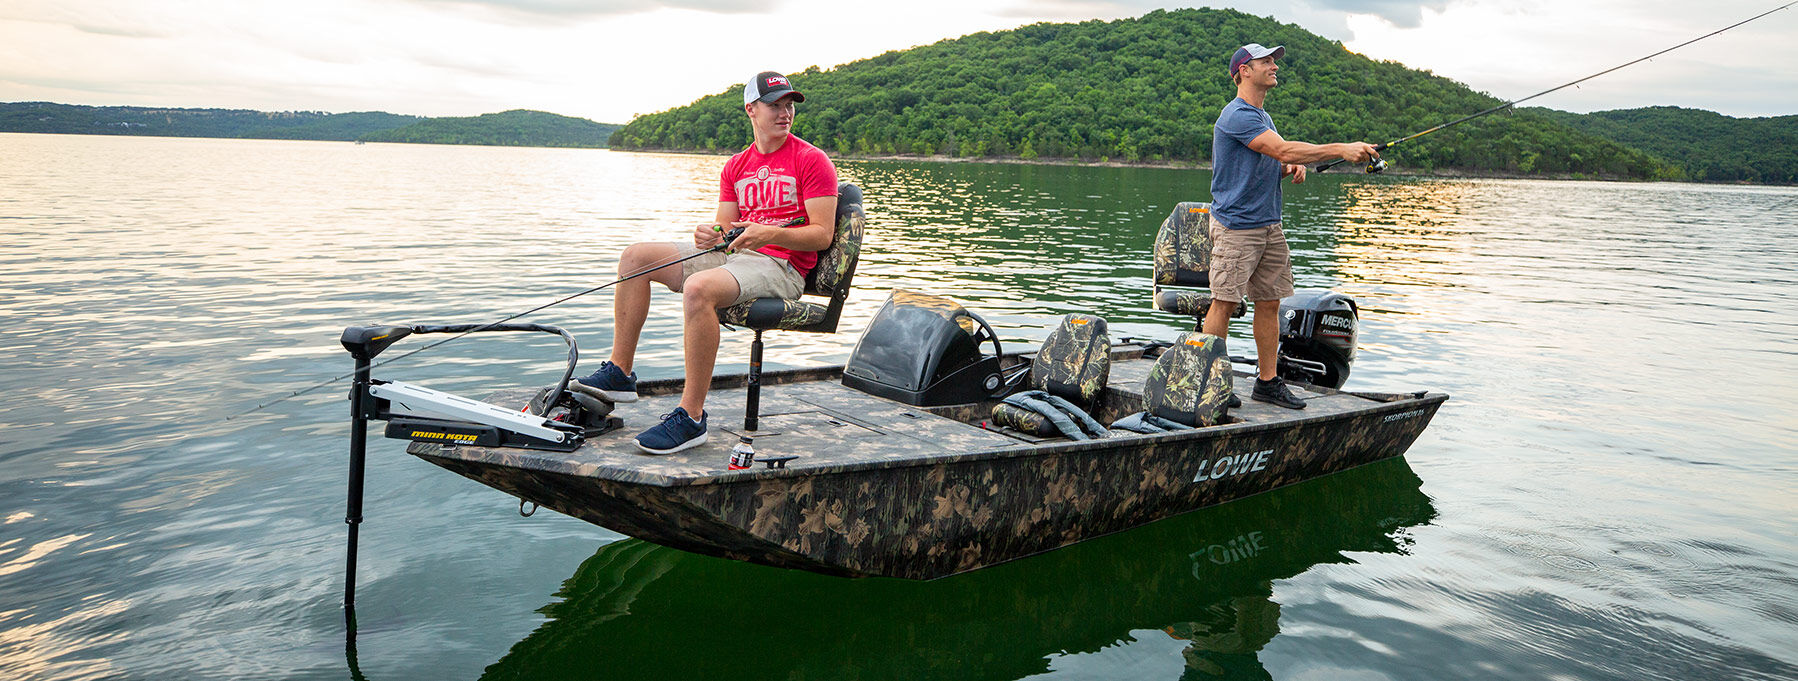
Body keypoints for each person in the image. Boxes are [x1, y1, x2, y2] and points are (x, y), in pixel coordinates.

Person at [577, 71, 839, 453]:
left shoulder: (812, 160)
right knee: (636, 258)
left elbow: (822, 235)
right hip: (739, 256)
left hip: (781, 268)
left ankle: (692, 416)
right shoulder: (736, 166)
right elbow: (726, 229)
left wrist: (768, 233)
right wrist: (712, 235)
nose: (785, 113)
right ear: (751, 109)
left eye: (789, 105)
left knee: (700, 288)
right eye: (775, 105)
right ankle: (619, 373)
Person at [1206, 43, 1379, 410]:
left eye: (1274, 61)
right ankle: (1209, 382)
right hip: (1236, 227)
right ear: (1244, 71)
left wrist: (1286, 167)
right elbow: (1282, 149)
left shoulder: (1263, 118)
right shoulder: (1237, 115)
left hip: (1268, 225)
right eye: (1265, 61)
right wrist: (1340, 149)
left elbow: (1273, 156)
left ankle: (1267, 383)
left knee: (1269, 304)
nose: (1274, 67)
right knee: (1223, 304)